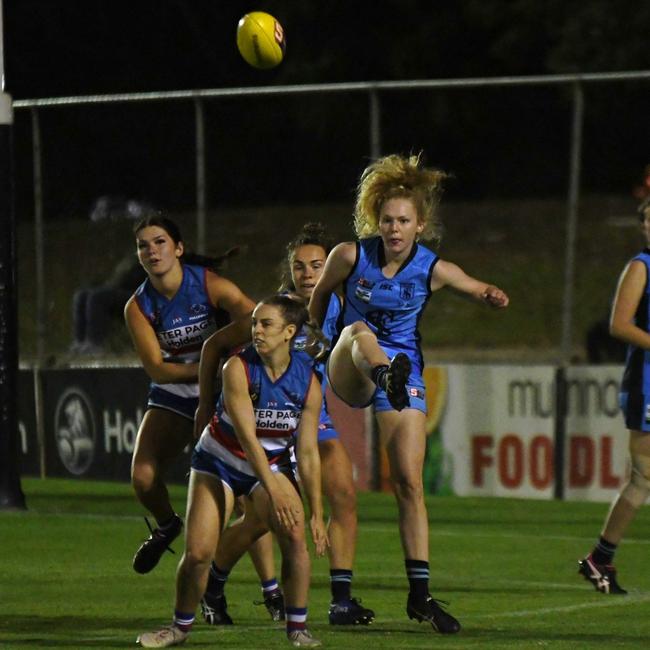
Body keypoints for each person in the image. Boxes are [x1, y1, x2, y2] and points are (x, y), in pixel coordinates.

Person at [309, 153, 509, 634]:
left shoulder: (431, 268)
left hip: (403, 372)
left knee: (410, 483)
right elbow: (318, 301)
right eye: (387, 220)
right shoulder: (350, 255)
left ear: (420, 225)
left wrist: (488, 294)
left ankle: (420, 596)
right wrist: (317, 336)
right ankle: (384, 373)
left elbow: (469, 283)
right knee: (359, 329)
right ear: (375, 221)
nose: (394, 229)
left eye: (403, 221)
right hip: (350, 364)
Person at [198, 223, 375, 626]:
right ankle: (213, 583)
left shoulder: (343, 308)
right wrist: (203, 406)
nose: (309, 274)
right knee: (263, 520)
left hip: (312, 417)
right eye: (300, 266)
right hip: (267, 425)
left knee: (344, 494)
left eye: (317, 265)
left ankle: (342, 601)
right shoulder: (276, 313)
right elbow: (215, 346)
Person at [137, 294, 328, 648]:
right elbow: (247, 438)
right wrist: (275, 492)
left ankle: (297, 629)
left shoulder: (308, 382)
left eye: (265, 324)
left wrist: (316, 511)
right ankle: (179, 628)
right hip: (219, 460)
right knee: (197, 555)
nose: (255, 330)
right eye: (254, 321)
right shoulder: (236, 368)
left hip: (269, 464)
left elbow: (307, 450)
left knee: (297, 539)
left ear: (289, 332)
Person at [125, 215, 256, 575]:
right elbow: (157, 369)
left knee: (245, 498)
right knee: (144, 477)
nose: (152, 250)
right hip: (176, 391)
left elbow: (254, 318)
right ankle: (168, 524)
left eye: (160, 241)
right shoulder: (138, 307)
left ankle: (270, 588)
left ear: (178, 248)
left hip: (220, 390)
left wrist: (228, 358)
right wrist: (203, 369)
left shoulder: (208, 285)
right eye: (143, 245)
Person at [578, 196, 650, 594]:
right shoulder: (641, 267)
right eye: (648, 221)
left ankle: (600, 558)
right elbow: (619, 325)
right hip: (647, 383)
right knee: (642, 477)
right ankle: (600, 557)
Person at [70, 253, 146, 354]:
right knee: (81, 295)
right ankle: (80, 342)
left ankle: (95, 344)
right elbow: (119, 279)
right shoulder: (134, 257)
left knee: (98, 297)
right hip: (126, 291)